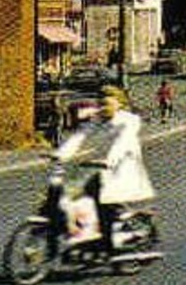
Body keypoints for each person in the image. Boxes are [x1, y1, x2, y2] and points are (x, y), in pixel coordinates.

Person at [54, 87, 156, 249]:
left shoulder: (129, 120)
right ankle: (89, 232)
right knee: (76, 193)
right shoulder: (98, 120)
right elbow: (80, 136)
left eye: (109, 102)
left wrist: (110, 160)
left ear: (119, 104)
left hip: (122, 167)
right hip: (100, 166)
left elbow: (123, 141)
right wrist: (60, 154)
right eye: (102, 102)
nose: (104, 106)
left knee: (102, 200)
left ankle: (110, 238)